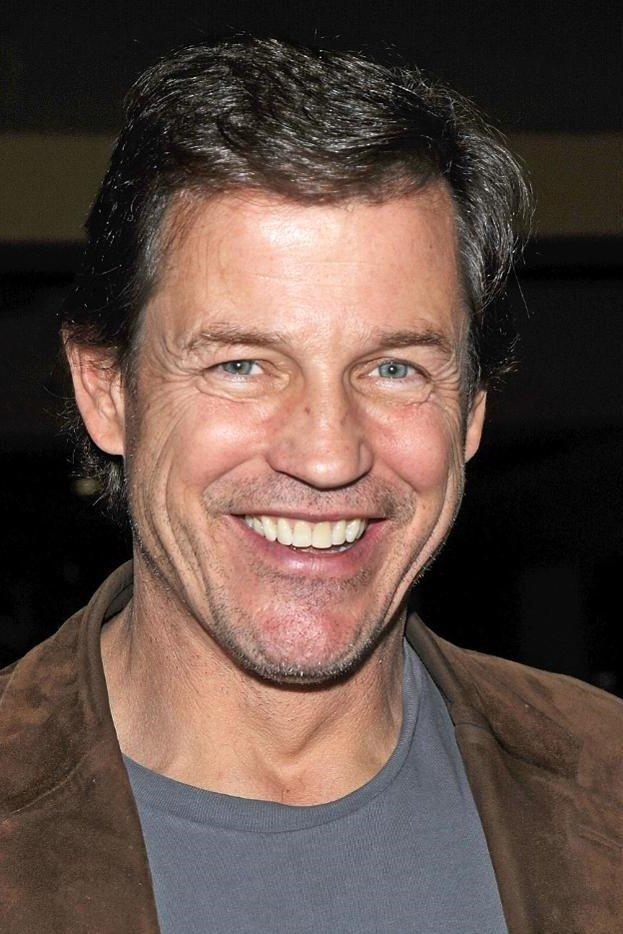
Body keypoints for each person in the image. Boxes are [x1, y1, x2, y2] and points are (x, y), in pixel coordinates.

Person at [1, 38, 620, 934]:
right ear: (108, 392)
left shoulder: (604, 785)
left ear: (471, 413)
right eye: (242, 364)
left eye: (396, 368)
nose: (327, 456)